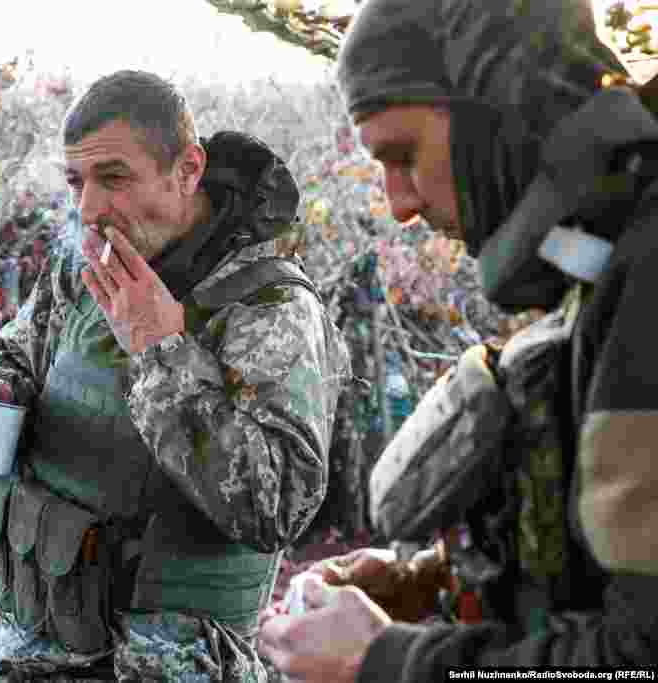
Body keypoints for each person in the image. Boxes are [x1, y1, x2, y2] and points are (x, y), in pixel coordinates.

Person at [258, 0, 658, 680]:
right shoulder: (610, 258)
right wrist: (432, 582)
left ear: (496, 109)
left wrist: (386, 660)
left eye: (402, 154)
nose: (399, 204)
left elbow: (637, 661)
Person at [0, 70, 349, 681]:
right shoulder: (87, 263)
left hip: (169, 663)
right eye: (76, 181)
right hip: (36, 638)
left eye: (113, 178)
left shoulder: (270, 308)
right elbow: (19, 351)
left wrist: (158, 348)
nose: (88, 207)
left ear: (187, 171)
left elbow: (277, 508)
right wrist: (1, 388)